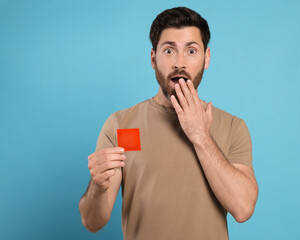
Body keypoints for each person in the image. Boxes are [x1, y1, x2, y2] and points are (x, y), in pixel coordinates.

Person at [79, 6, 258, 240]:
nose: (179, 63)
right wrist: (97, 186)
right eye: (169, 50)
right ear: (153, 59)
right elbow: (92, 222)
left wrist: (201, 136)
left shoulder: (233, 127)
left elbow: (243, 209)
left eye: (191, 51)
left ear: (207, 58)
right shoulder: (120, 124)